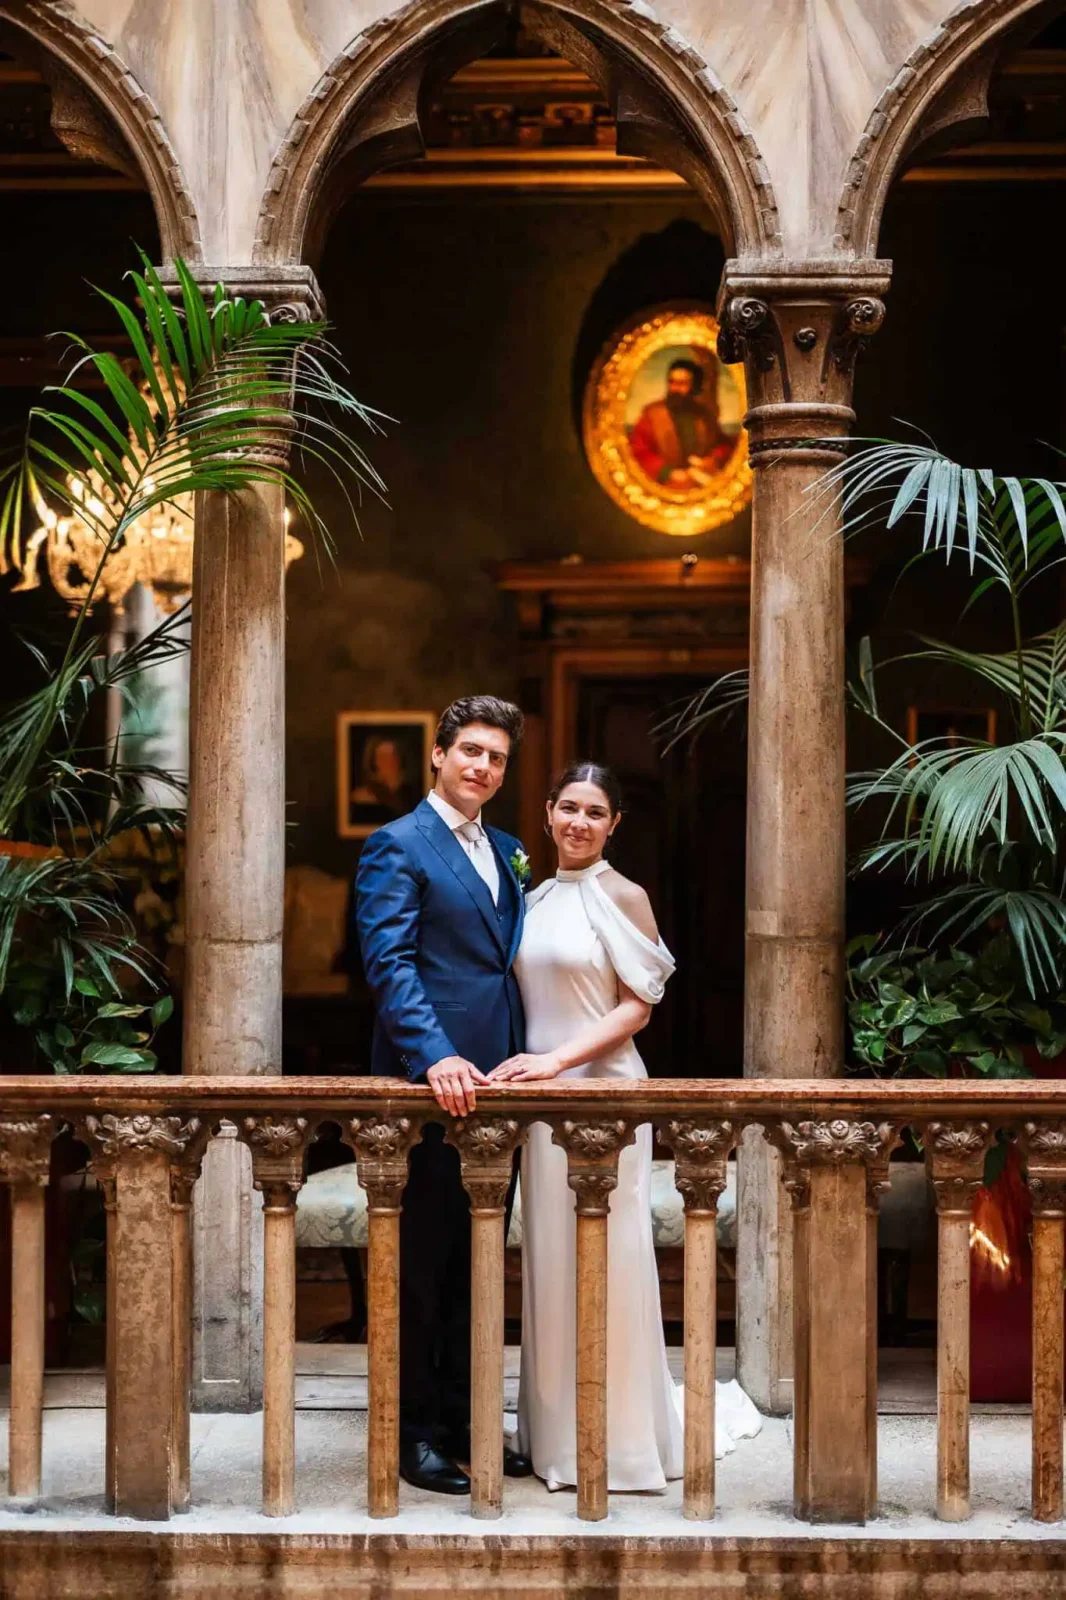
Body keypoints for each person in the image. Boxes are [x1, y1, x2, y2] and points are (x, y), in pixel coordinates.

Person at [492, 761, 760, 1491]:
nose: (579, 822)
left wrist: (555, 1063)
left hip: (602, 1093)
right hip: (539, 1101)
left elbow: (637, 1005)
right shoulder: (533, 895)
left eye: (595, 812)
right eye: (568, 807)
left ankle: (625, 1441)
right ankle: (554, 1439)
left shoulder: (624, 896)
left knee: (610, 1257)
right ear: (547, 814)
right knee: (548, 1257)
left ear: (614, 825)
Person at [354, 695, 534, 1495]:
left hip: (500, 1089)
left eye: (496, 757)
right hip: (432, 1089)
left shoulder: (507, 848)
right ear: (437, 754)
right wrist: (436, 1056)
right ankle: (410, 1432)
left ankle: (465, 1419)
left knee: (477, 1260)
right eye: (469, 751)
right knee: (421, 1265)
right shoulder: (397, 845)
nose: (482, 767)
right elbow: (390, 963)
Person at [628, 358, 733, 490]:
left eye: (682, 383)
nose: (675, 388)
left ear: (694, 386)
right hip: (666, 487)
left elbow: (723, 444)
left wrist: (714, 459)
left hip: (701, 483)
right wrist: (667, 473)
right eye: (672, 382)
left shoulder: (703, 414)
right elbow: (638, 450)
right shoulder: (651, 414)